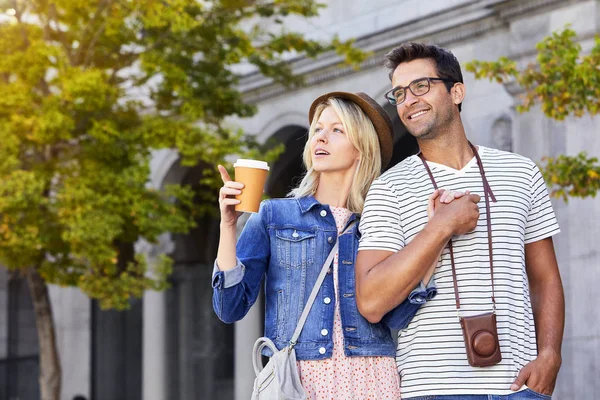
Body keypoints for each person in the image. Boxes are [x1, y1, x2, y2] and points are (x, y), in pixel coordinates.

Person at [355, 42, 565, 399]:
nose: (409, 101)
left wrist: (550, 355)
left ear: (456, 91)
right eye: (400, 93)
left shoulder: (521, 172)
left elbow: (545, 279)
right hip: (432, 388)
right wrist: (441, 227)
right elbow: (371, 301)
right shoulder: (388, 188)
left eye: (421, 86)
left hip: (519, 387)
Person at [212, 91, 440, 398]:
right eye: (318, 129)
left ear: (361, 148)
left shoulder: (379, 222)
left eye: (337, 130)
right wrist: (228, 226)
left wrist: (436, 235)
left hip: (373, 379)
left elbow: (397, 316)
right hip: (299, 381)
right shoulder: (274, 215)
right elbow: (230, 307)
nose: (321, 138)